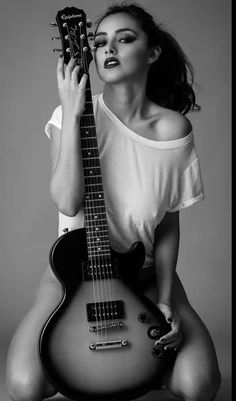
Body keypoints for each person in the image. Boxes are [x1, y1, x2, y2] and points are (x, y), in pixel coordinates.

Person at [6, 2, 221, 401]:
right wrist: (72, 114)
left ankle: (137, 366)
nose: (109, 49)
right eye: (100, 41)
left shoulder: (172, 129)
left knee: (200, 385)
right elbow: (69, 202)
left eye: (125, 39)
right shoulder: (66, 117)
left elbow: (169, 221)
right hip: (73, 273)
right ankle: (100, 366)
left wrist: (164, 296)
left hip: (141, 273)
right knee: (23, 386)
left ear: (152, 52)